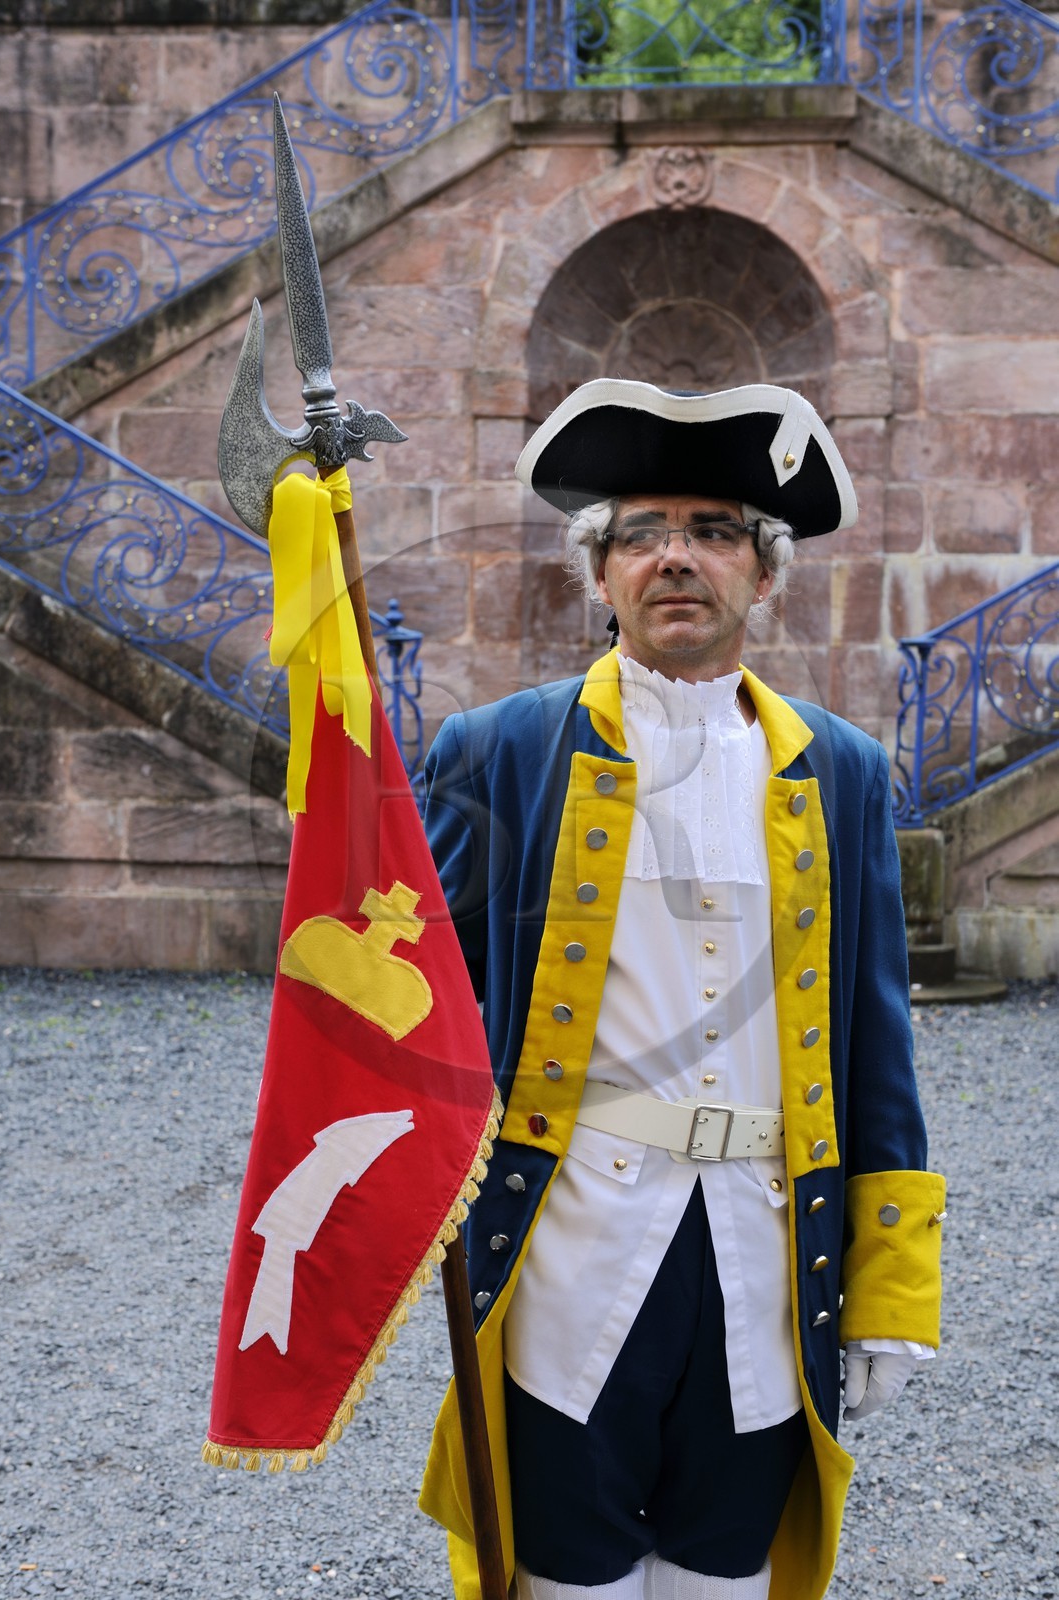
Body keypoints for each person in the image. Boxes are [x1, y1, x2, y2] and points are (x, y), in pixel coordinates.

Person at [418, 380, 945, 1600]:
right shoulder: (496, 750)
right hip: (567, 1244)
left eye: (713, 531)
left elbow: (876, 1039)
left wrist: (891, 1280)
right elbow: (416, 1006)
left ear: (762, 574)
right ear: (598, 573)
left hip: (766, 1249)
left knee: (725, 1568)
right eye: (641, 532)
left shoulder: (843, 770)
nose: (675, 557)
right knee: (566, 1569)